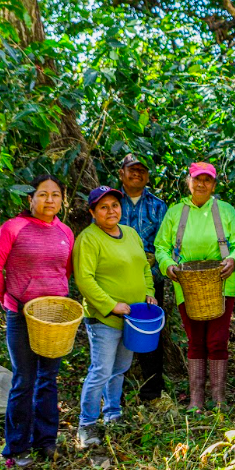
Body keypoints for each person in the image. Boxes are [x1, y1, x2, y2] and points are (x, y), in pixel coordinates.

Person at [0, 175, 75, 466]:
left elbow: (66, 270)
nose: (49, 200)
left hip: (54, 318)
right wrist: (6, 299)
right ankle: (16, 447)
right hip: (21, 313)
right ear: (31, 199)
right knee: (24, 379)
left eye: (56, 195)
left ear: (62, 200)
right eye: (43, 194)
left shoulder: (65, 231)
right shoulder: (13, 228)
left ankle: (46, 442)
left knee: (48, 379)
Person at [155, 162, 235, 410]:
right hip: (187, 285)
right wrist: (167, 265)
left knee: (217, 340)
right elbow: (161, 247)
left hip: (221, 284)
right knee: (196, 340)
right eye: (197, 179)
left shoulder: (225, 210)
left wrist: (234, 260)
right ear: (189, 182)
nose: (201, 184)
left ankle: (218, 398)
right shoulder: (176, 212)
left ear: (214, 185)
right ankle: (196, 399)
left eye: (207, 180)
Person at [73, 186, 156, 448]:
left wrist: (149, 294)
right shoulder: (89, 238)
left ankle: (113, 414)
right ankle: (86, 424)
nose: (111, 211)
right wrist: (111, 305)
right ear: (92, 212)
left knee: (120, 369)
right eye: (104, 207)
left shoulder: (130, 233)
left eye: (115, 205)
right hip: (104, 319)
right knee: (100, 371)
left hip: (133, 318)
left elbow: (144, 267)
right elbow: (84, 279)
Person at [116, 154, 171, 401]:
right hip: (115, 282)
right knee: (114, 334)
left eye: (141, 170)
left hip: (150, 282)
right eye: (132, 169)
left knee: (150, 336)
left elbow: (168, 244)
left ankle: (151, 392)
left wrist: (154, 266)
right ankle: (116, 390)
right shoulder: (112, 202)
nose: (136, 173)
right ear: (121, 173)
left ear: (147, 176)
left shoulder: (159, 206)